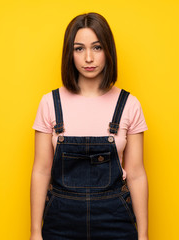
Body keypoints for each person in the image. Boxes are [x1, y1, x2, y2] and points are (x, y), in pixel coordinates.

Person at [30, 12, 148, 240]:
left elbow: (136, 173)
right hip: (60, 221)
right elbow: (41, 170)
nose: (88, 58)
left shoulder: (129, 104)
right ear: (69, 53)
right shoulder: (50, 103)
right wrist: (35, 231)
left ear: (108, 51)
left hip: (115, 221)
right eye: (79, 49)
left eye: (96, 47)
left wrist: (143, 235)